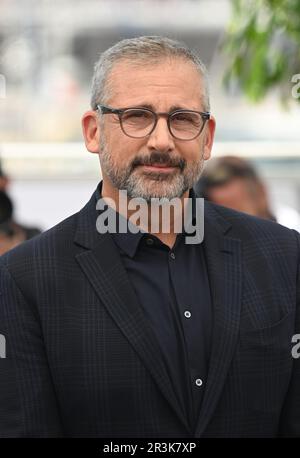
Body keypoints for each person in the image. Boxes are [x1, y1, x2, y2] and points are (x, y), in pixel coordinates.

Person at [0, 36, 299, 438]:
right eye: (137, 116)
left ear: (207, 137)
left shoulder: (283, 255)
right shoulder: (24, 280)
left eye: (182, 118)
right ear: (93, 132)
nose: (162, 140)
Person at [195, 155, 300, 231]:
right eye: (219, 212)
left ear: (261, 194)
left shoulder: (291, 233)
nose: (228, 222)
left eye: (236, 212)